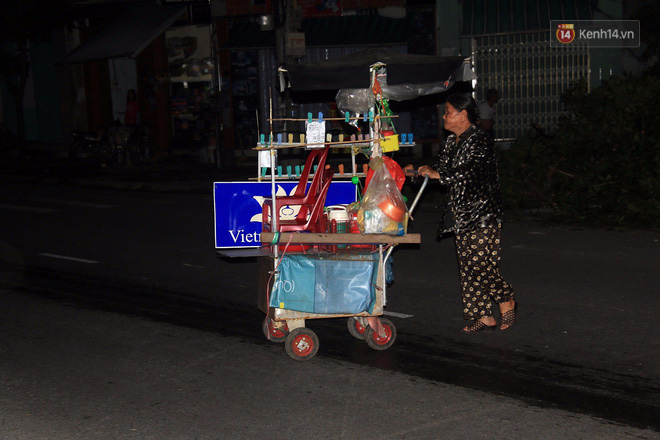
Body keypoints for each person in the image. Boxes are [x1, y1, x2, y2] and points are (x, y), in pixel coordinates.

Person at [404, 94, 517, 332]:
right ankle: (483, 315)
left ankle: (506, 299)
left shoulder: (480, 140)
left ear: (463, 115)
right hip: (461, 212)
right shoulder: (451, 141)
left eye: (448, 111)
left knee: (480, 264)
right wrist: (421, 171)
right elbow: (445, 170)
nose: (444, 116)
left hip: (483, 212)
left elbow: (470, 170)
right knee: (467, 266)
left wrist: (439, 174)